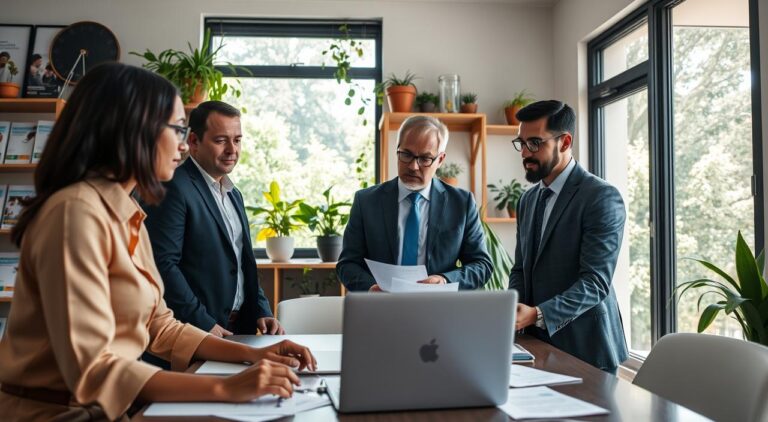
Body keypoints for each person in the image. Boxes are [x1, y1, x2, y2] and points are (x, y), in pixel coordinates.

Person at [0, 63, 315, 421]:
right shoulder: (76, 212)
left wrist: (254, 353)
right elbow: (94, 366)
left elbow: (162, 326)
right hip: (56, 412)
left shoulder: (127, 212)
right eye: (179, 128)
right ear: (135, 130)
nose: (184, 144)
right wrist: (224, 388)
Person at [507, 100, 628, 374]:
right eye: (521, 143)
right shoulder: (527, 200)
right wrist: (511, 306)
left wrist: (538, 315)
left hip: (587, 348)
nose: (525, 152)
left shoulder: (601, 197)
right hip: (535, 346)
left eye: (535, 143)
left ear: (564, 142)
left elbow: (595, 283)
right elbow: (520, 268)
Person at [143, 101, 282, 338]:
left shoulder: (233, 194)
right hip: (194, 333)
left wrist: (261, 310)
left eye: (237, 140)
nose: (232, 150)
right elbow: (163, 265)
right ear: (194, 142)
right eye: (221, 141)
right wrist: (203, 324)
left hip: (239, 330)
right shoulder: (173, 186)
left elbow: (241, 263)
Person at [337, 115, 492, 291]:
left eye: (425, 159)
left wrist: (444, 281)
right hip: (380, 307)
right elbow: (347, 264)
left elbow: (481, 265)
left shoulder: (462, 204)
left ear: (440, 160)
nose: (413, 166)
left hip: (437, 308)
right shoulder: (366, 202)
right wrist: (371, 287)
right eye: (406, 154)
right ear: (397, 150)